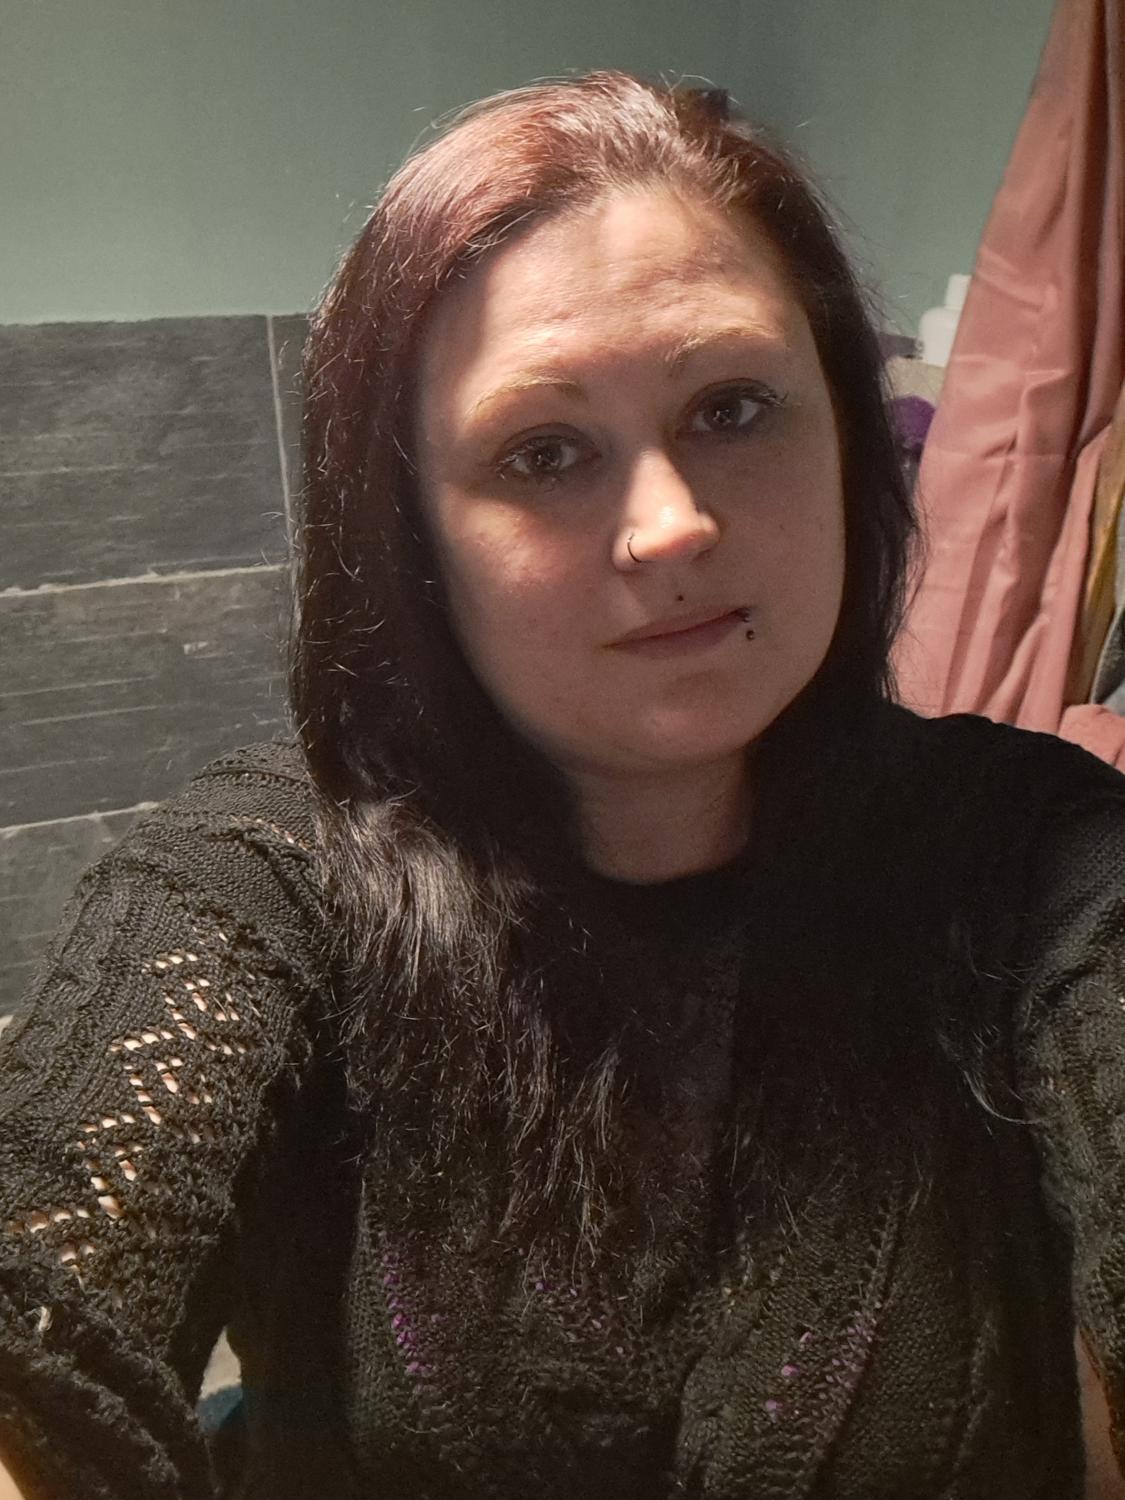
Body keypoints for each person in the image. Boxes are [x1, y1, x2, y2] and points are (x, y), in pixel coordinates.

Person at [1, 70, 1124, 1500]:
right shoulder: (262, 876)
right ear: (413, 540)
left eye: (733, 407)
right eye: (544, 452)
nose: (671, 525)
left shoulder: (1040, 856)